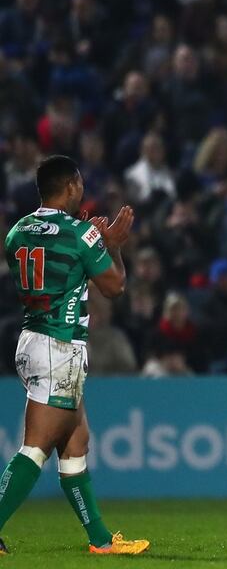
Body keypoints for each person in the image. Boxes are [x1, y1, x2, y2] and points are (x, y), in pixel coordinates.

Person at [0, 155, 149, 555]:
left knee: (76, 443)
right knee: (36, 448)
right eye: (80, 184)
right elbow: (114, 287)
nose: (82, 190)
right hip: (58, 345)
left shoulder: (18, 231)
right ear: (69, 186)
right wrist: (113, 247)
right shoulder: (79, 234)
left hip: (32, 337)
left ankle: (100, 541)